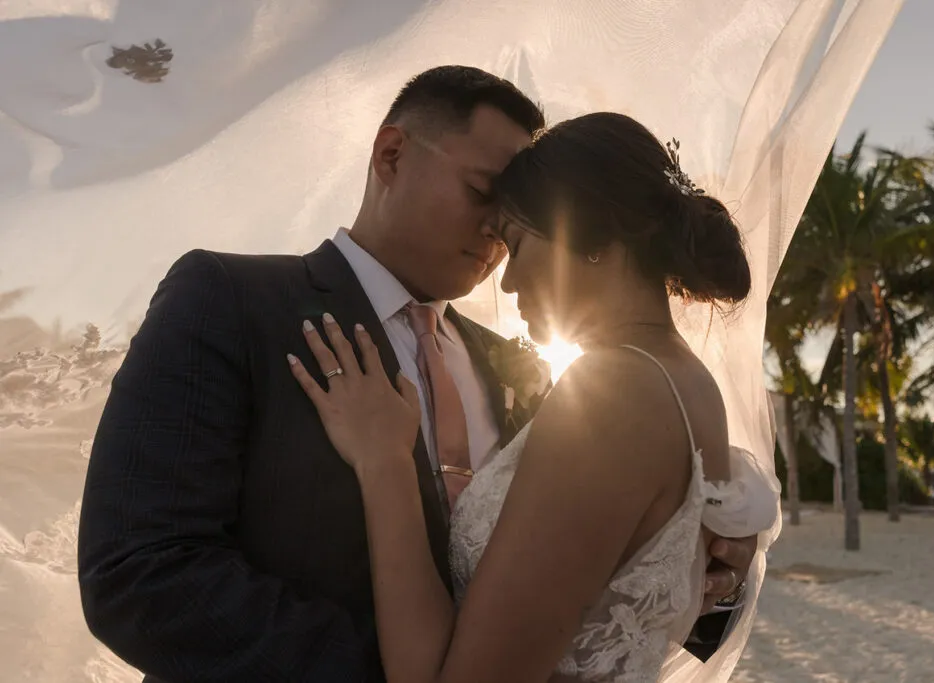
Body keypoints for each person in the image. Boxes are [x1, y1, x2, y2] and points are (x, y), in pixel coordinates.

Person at [78, 66, 762, 683]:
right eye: (483, 194)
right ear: (392, 154)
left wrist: (705, 572)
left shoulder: (530, 371)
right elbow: (137, 571)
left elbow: (598, 605)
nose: (497, 241)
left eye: (515, 224)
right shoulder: (229, 300)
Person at [288, 110, 779, 682]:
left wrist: (384, 461)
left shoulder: (614, 395)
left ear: (594, 239)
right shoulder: (688, 381)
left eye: (518, 245)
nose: (508, 280)